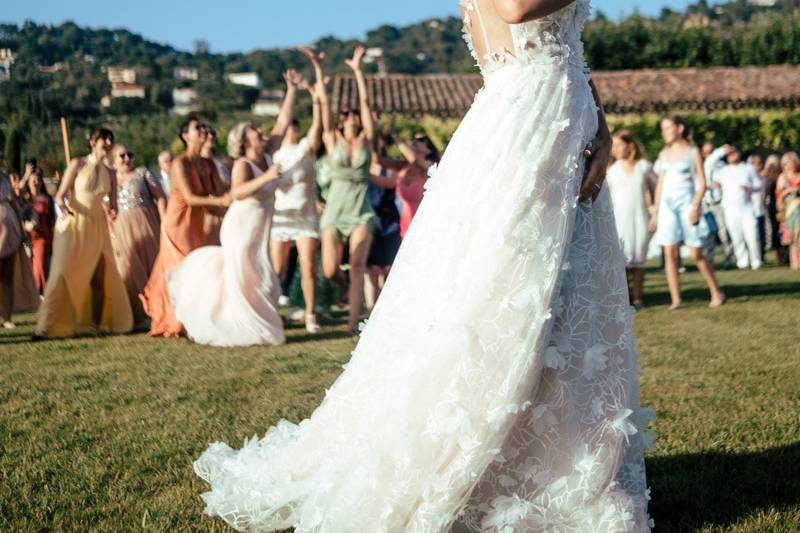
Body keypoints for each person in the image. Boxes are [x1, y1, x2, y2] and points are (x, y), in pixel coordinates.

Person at [194, 1, 653, 530]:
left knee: (564, 303)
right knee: (503, 297)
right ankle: (492, 466)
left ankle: (548, 463)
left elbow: (571, 53)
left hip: (563, 119)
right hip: (528, 124)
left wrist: (601, 125)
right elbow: (517, 8)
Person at [167, 121, 286, 347]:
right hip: (241, 227)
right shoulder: (243, 164)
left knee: (257, 278)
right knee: (244, 278)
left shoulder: (266, 157)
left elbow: (283, 122)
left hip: (258, 229)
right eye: (254, 129)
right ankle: (244, 325)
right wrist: (266, 177)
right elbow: (236, 192)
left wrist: (292, 90)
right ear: (243, 140)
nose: (261, 130)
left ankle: (247, 322)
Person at [34, 128, 133, 338]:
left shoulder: (111, 173)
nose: (107, 142)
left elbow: (113, 204)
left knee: (98, 277)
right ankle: (44, 327)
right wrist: (64, 206)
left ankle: (96, 327)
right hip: (75, 223)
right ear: (92, 142)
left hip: (98, 227)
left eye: (110, 139)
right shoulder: (77, 165)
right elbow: (60, 196)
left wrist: (113, 210)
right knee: (60, 272)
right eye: (103, 139)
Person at [140, 118, 231, 337]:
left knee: (198, 271)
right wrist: (220, 202)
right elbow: (191, 197)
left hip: (198, 224)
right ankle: (178, 321)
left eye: (202, 127)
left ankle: (194, 318)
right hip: (178, 223)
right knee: (182, 270)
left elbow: (221, 195)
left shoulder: (209, 164)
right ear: (185, 136)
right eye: (196, 128)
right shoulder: (180, 163)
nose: (202, 130)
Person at [316, 46, 377, 333]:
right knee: (330, 270)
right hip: (335, 210)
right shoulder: (331, 140)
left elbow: (366, 103)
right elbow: (325, 107)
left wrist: (358, 71)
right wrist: (318, 68)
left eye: (355, 114)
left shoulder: (367, 139)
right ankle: (341, 291)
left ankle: (354, 324)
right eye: (348, 114)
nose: (353, 116)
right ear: (342, 121)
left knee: (356, 267)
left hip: (361, 211)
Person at [269, 48, 325, 334]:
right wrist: (290, 90)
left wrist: (316, 102)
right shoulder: (274, 154)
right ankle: (272, 315)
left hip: (304, 213)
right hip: (281, 215)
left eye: (292, 123)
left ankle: (311, 315)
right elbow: (281, 118)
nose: (289, 125)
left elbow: (318, 129)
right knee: (276, 271)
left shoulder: (305, 148)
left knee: (307, 268)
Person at [650, 115, 725, 309]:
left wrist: (695, 207)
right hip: (667, 207)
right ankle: (676, 300)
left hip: (687, 205)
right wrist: (655, 213)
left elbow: (702, 183)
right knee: (670, 253)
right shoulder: (663, 153)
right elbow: (660, 185)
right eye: (663, 129)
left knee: (696, 253)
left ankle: (716, 291)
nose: (664, 132)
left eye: (667, 128)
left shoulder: (693, 152)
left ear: (680, 128)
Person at [110, 144, 166, 330]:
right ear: (113, 161)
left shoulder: (142, 173)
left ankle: (161, 311)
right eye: (122, 156)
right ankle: (138, 314)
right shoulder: (109, 181)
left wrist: (165, 221)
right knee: (129, 270)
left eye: (130, 154)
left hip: (147, 225)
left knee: (153, 267)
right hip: (122, 230)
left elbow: (161, 197)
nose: (127, 158)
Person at [606, 129, 657, 308]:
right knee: (622, 261)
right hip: (619, 220)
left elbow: (656, 189)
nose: (616, 149)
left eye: (619, 144)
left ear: (630, 145)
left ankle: (638, 298)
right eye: (614, 145)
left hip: (641, 218)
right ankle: (624, 298)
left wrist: (655, 213)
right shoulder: (611, 170)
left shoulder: (644, 166)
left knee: (639, 259)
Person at [707, 145, 763, 270]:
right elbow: (709, 163)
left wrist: (749, 188)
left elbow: (759, 185)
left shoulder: (748, 168)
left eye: (734, 153)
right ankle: (742, 262)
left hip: (747, 207)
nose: (731, 156)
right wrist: (721, 150)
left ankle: (756, 261)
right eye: (729, 154)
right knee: (736, 237)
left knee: (752, 235)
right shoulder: (723, 170)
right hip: (730, 208)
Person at [20, 166, 55, 295]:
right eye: (33, 180)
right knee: (31, 264)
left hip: (42, 238)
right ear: (28, 182)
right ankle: (35, 294)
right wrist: (26, 225)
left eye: (38, 180)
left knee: (39, 263)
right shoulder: (24, 200)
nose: (36, 183)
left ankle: (43, 293)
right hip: (27, 239)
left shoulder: (46, 199)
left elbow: (52, 220)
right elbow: (20, 218)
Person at [702, 142, 734, 267]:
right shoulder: (703, 165)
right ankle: (709, 261)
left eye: (711, 151)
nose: (708, 155)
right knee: (708, 234)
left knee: (724, 233)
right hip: (706, 204)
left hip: (718, 203)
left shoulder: (722, 166)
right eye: (706, 152)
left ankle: (728, 260)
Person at [777, 151, 800, 270]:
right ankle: (794, 264)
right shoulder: (782, 177)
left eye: (792, 163)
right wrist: (788, 191)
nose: (790, 166)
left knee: (799, 236)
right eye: (788, 163)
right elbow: (779, 195)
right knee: (792, 239)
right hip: (789, 210)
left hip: (799, 209)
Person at [763, 154, 785, 263]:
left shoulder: (782, 175)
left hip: (783, 205)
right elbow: (766, 192)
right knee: (775, 231)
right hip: (772, 207)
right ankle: (780, 256)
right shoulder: (767, 178)